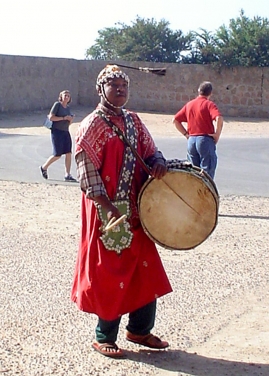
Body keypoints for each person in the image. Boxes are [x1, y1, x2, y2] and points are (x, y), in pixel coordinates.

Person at [71, 65, 172, 359]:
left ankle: (139, 329)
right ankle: (104, 336)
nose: (120, 91)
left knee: (144, 268)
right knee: (109, 271)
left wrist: (158, 161)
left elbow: (151, 149)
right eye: (113, 86)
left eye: (124, 86)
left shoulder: (133, 121)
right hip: (107, 210)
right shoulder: (91, 125)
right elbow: (86, 174)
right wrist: (107, 207)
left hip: (137, 210)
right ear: (100, 90)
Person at [172, 81, 223, 179]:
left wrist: (186, 134)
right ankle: (206, 193)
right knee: (206, 173)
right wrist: (217, 134)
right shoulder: (209, 104)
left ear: (199, 91)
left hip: (191, 140)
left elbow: (175, 120)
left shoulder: (189, 104)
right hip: (204, 140)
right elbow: (219, 118)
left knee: (193, 174)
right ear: (210, 93)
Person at [39, 90, 77, 182]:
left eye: (68, 96)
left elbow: (68, 123)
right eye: (65, 95)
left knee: (68, 153)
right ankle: (44, 167)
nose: (67, 97)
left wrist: (70, 119)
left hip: (65, 132)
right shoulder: (57, 105)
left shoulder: (67, 108)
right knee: (57, 154)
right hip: (57, 132)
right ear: (61, 96)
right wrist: (64, 118)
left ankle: (67, 174)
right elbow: (51, 117)